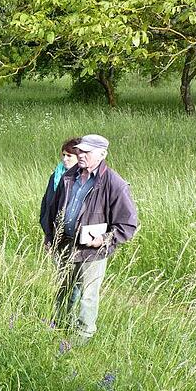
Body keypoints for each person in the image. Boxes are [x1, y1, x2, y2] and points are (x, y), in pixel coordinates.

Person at [44, 134, 138, 346]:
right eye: (80, 150)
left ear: (102, 154)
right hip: (65, 243)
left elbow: (128, 224)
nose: (81, 155)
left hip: (92, 251)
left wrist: (105, 239)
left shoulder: (115, 183)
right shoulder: (70, 175)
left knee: (87, 295)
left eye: (86, 151)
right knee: (64, 288)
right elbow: (54, 208)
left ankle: (82, 337)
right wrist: (50, 236)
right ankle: (59, 326)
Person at [40, 138, 80, 237]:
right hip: (52, 228)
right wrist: (46, 225)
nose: (65, 159)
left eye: (69, 156)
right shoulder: (56, 176)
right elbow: (47, 201)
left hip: (72, 232)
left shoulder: (82, 179)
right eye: (64, 155)